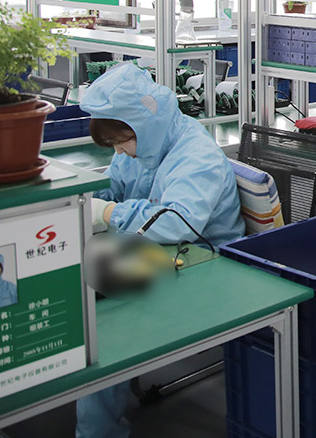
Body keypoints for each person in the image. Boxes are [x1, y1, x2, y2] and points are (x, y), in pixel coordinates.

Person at [76, 62, 243, 438]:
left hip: (207, 266)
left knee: (106, 324)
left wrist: (107, 213)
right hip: (162, 254)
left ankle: (97, 432)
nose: (120, 151)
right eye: (114, 144)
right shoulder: (142, 145)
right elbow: (115, 187)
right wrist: (81, 198)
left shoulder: (196, 155)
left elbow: (176, 222)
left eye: (122, 141)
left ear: (142, 124)